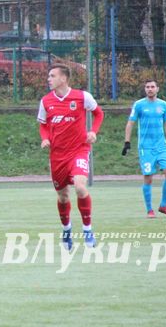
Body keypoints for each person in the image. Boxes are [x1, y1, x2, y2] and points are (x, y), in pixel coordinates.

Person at [37, 65, 103, 250]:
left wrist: (93, 131)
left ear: (63, 78)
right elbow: (42, 124)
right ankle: (66, 230)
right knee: (63, 196)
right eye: (48, 75)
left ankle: (87, 230)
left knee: (80, 187)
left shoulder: (82, 96)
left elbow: (99, 114)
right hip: (57, 155)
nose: (48, 79)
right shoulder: (45, 101)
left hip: (79, 150)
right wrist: (45, 139)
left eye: (52, 76)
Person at [123, 80, 166, 218]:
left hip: (161, 146)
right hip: (146, 148)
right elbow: (130, 123)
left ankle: (163, 205)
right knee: (148, 178)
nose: (150, 89)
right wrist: (127, 142)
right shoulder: (139, 105)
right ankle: (150, 210)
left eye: (152, 87)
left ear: (157, 89)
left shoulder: (163, 105)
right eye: (147, 87)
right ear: (145, 89)